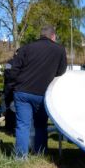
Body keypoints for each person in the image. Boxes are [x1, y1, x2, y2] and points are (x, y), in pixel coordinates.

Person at [9, 26, 67, 158]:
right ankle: (40, 153)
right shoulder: (59, 50)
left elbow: (14, 71)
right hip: (43, 93)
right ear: (53, 36)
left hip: (22, 92)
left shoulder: (26, 48)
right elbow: (61, 72)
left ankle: (20, 157)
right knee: (41, 125)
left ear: (41, 35)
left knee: (22, 125)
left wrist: (15, 85)